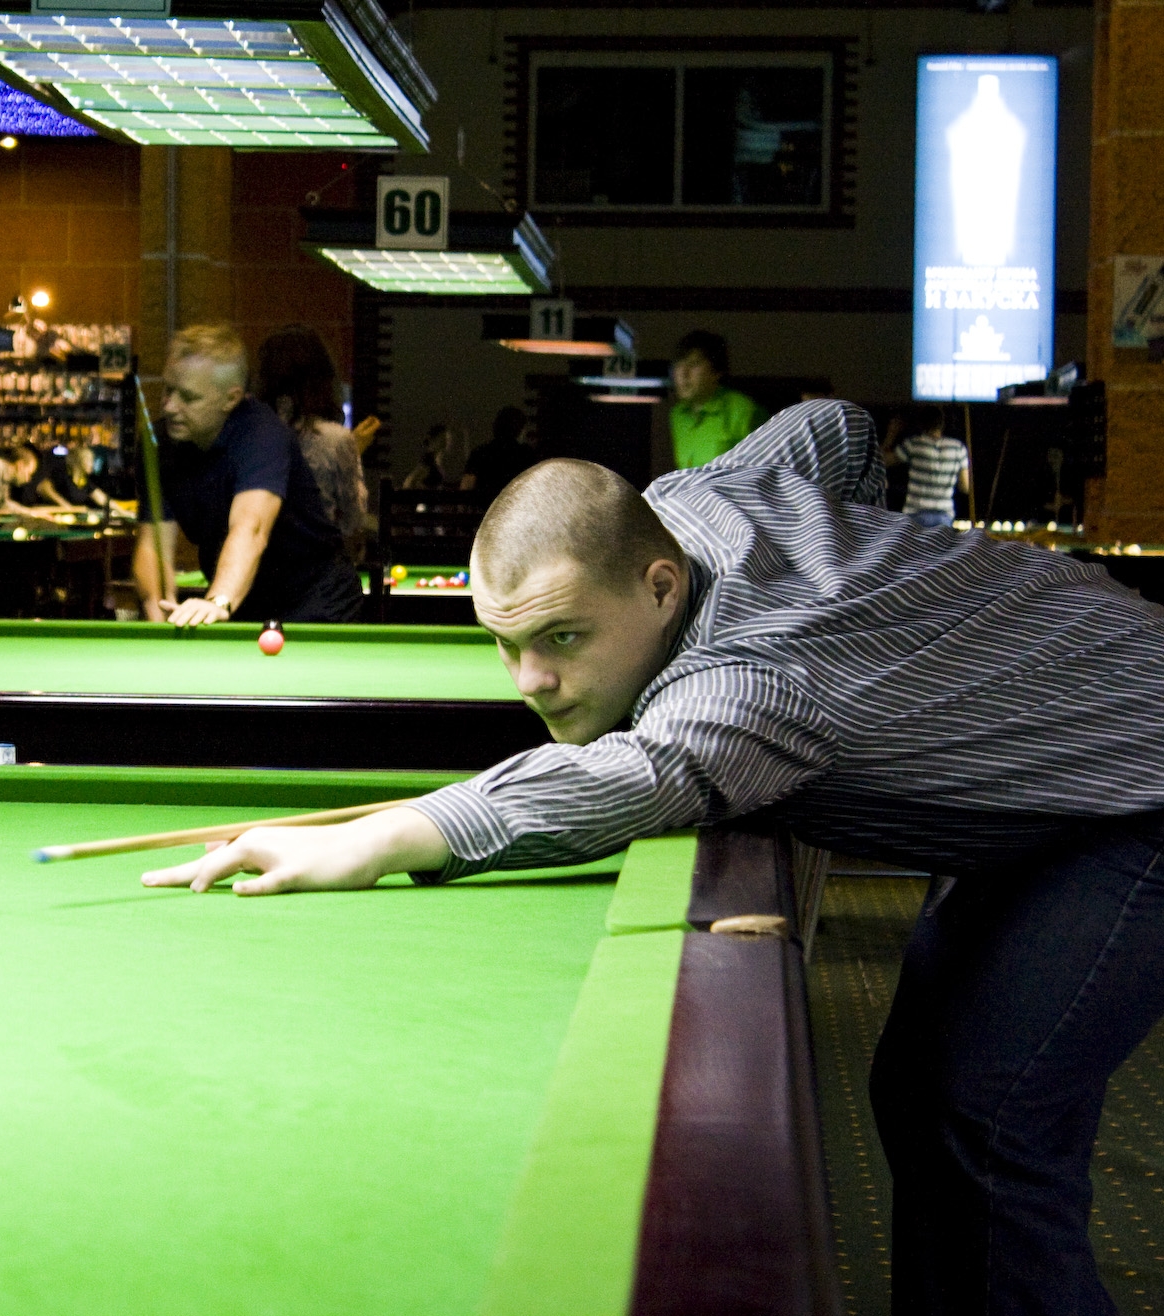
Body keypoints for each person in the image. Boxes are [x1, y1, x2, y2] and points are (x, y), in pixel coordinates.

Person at [141, 397, 1164, 1316]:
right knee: (923, 1090)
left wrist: (380, 837)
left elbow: (638, 773)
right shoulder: (692, 500)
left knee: (985, 1117)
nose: (529, 681)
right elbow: (833, 426)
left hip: (1140, 788)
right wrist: (881, 597)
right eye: (503, 642)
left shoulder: (749, 683)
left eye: (562, 637)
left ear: (660, 583)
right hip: (1067, 769)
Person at [132, 324, 359, 626]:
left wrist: (219, 600)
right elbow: (153, 543)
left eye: (188, 397)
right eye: (168, 390)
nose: (170, 407)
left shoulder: (263, 436)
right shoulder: (158, 443)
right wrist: (155, 602)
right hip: (245, 599)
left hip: (316, 598)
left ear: (231, 398)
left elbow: (250, 528)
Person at [254, 325, 367, 554]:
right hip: (317, 565)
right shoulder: (336, 439)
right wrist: (354, 451)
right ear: (321, 377)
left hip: (260, 563)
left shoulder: (249, 435)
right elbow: (352, 522)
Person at [668, 330, 766, 469]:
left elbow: (763, 468)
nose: (683, 373)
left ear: (716, 371)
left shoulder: (744, 411)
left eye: (693, 364)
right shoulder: (677, 415)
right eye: (678, 365)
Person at [884, 403, 971, 529]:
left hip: (916, 513)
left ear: (921, 424)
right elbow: (965, 487)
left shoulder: (914, 444)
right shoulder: (958, 448)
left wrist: (891, 435)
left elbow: (884, 461)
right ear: (942, 424)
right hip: (944, 515)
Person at [461, 406, 537, 505]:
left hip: (484, 509)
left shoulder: (480, 453)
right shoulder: (526, 455)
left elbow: (466, 488)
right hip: (516, 508)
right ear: (520, 429)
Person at [401, 423, 462, 490]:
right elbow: (409, 482)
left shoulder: (437, 460)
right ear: (433, 439)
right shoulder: (428, 461)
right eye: (443, 439)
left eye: (448, 439)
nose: (447, 442)